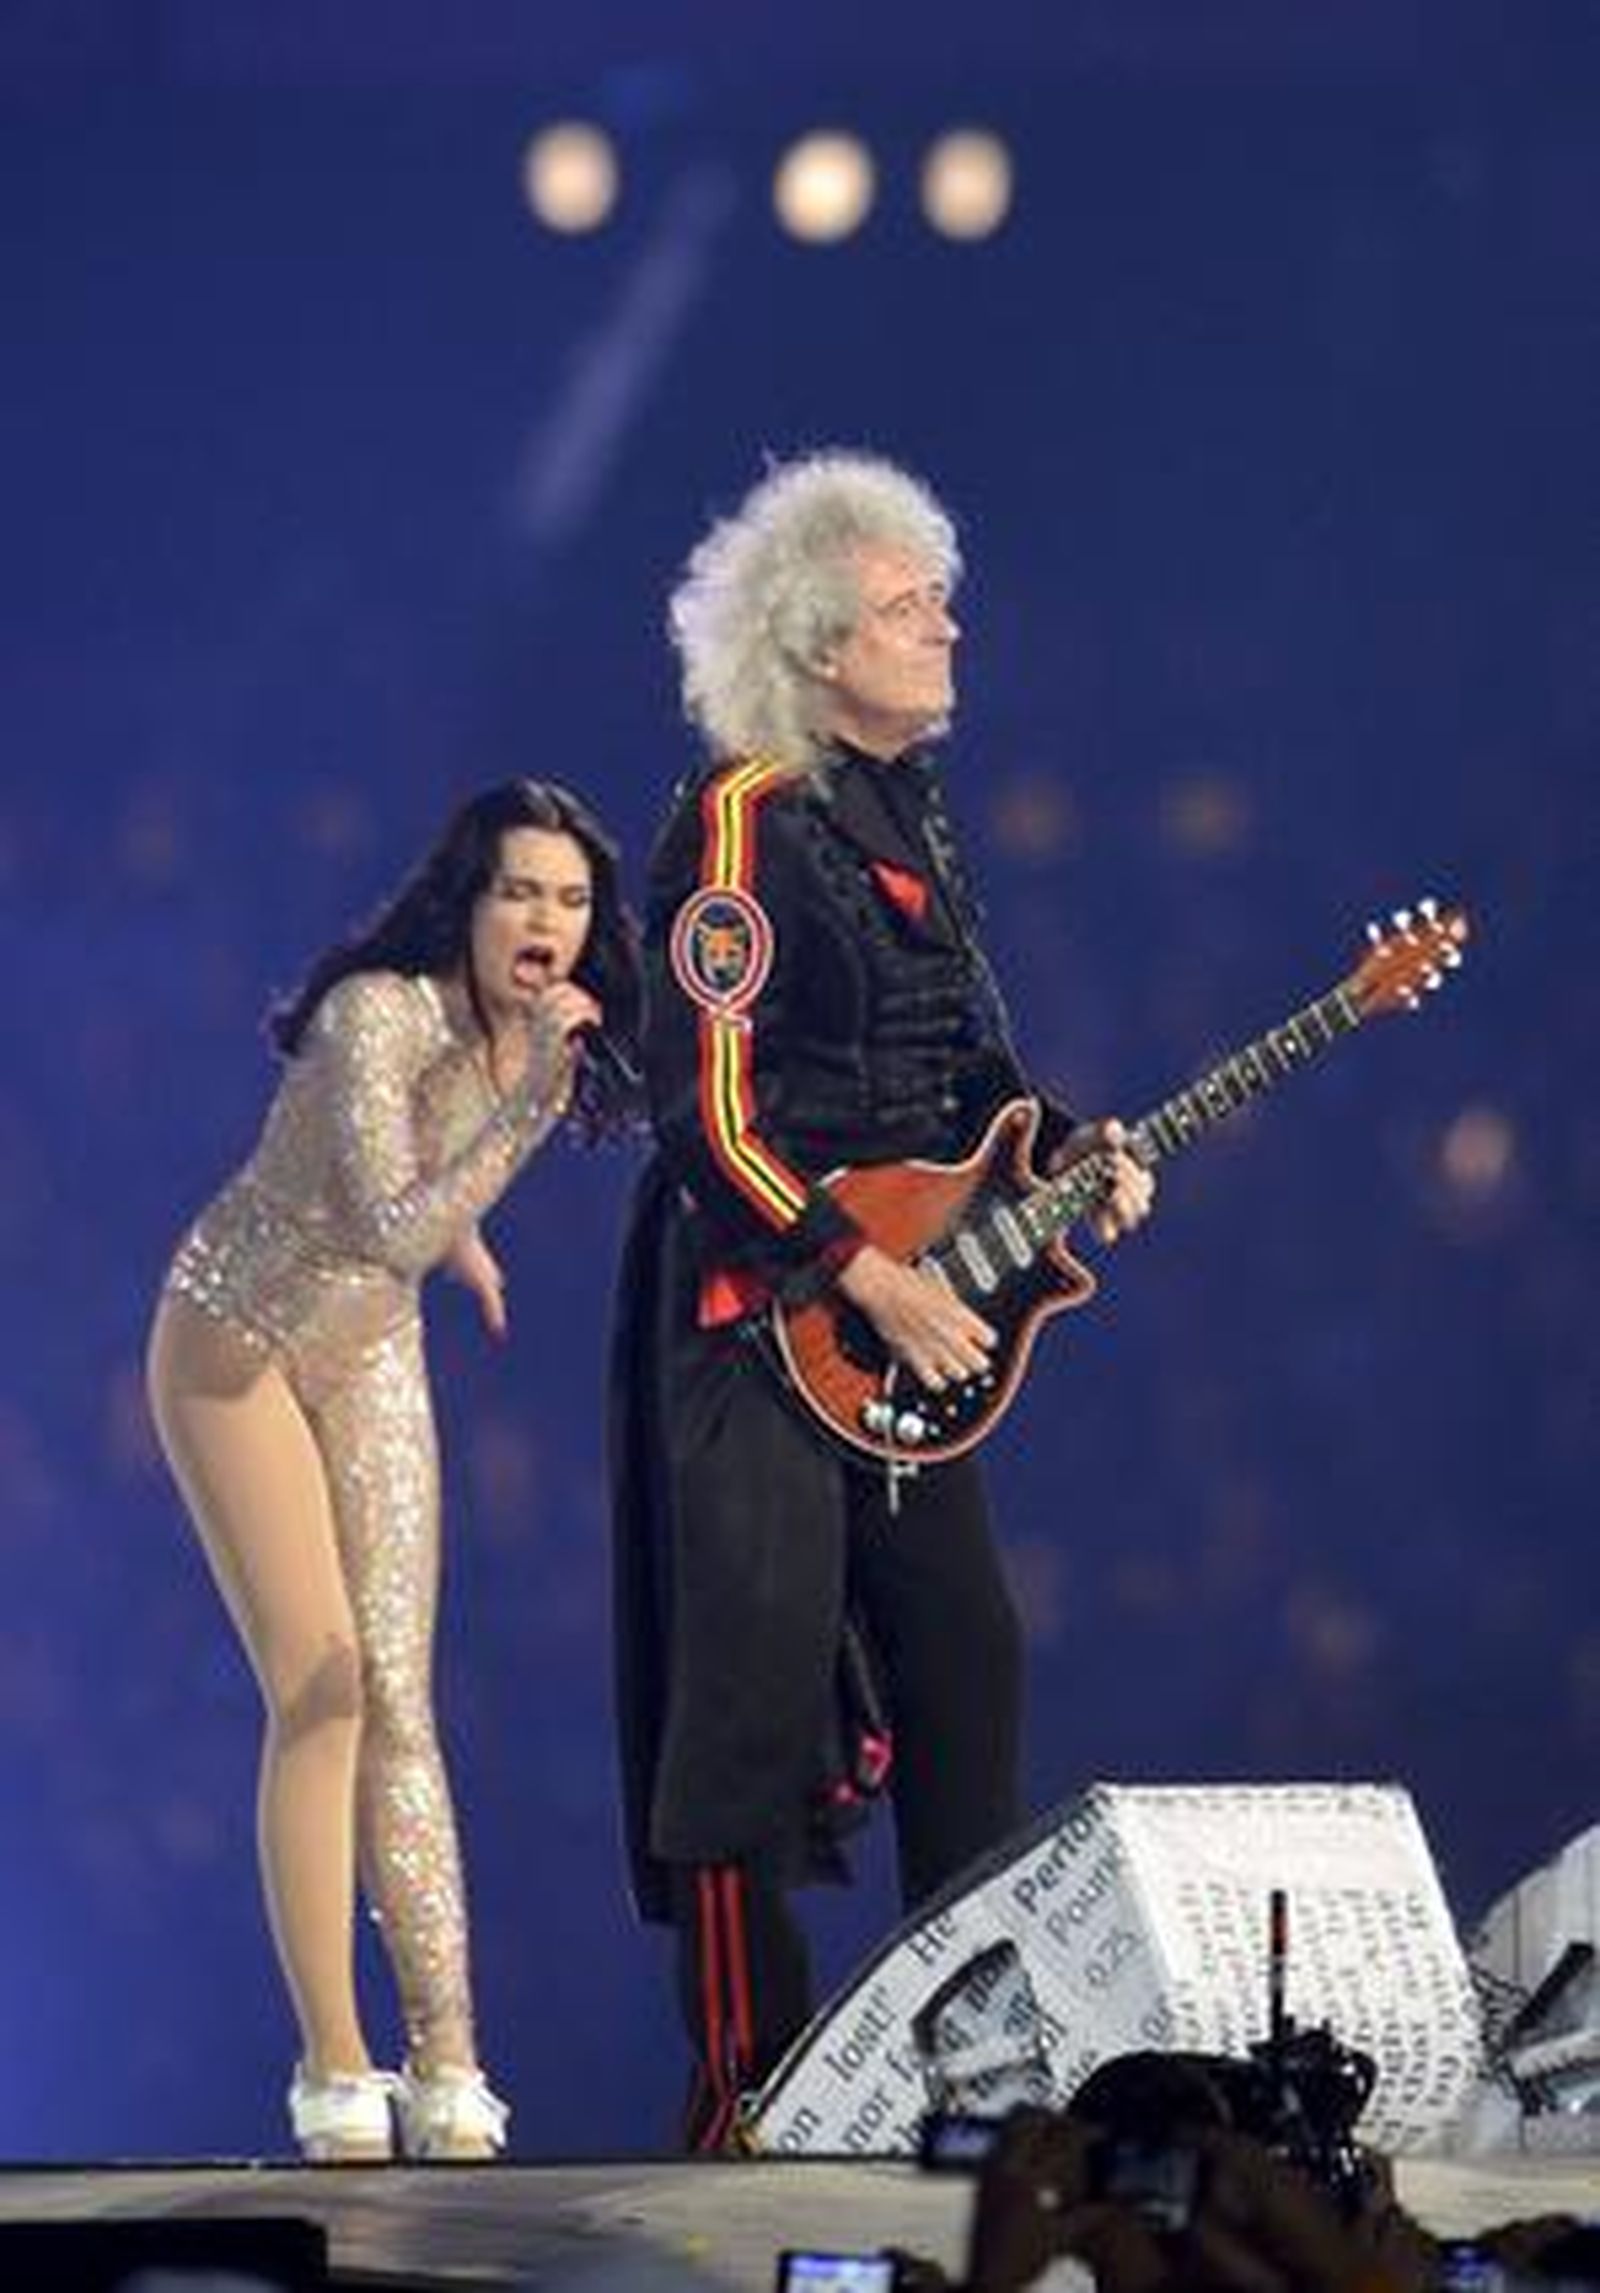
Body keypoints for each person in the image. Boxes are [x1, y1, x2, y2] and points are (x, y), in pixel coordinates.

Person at [609, 451, 1156, 2150]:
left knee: (966, 1664)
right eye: (915, 607)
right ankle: (744, 2101)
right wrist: (857, 1265)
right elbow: (700, 1107)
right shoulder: (736, 820)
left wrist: (1067, 1146)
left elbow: (966, 1062)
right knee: (746, 1722)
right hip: (758, 1317)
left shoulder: (916, 814)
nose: (948, 629)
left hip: (914, 1316)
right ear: (823, 642)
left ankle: (965, 2076)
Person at [147, 779, 640, 2161]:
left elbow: (427, 1221)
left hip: (366, 1351)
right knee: (322, 1682)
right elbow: (391, 1213)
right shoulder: (380, 1011)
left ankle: (452, 2063)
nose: (545, 919)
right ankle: (334, 2060)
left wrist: (510, 1135)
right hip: (231, 1341)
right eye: (519, 891)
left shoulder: (533, 1041)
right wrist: (523, 1110)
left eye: (570, 898)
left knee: (402, 1696)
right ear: (467, 904)